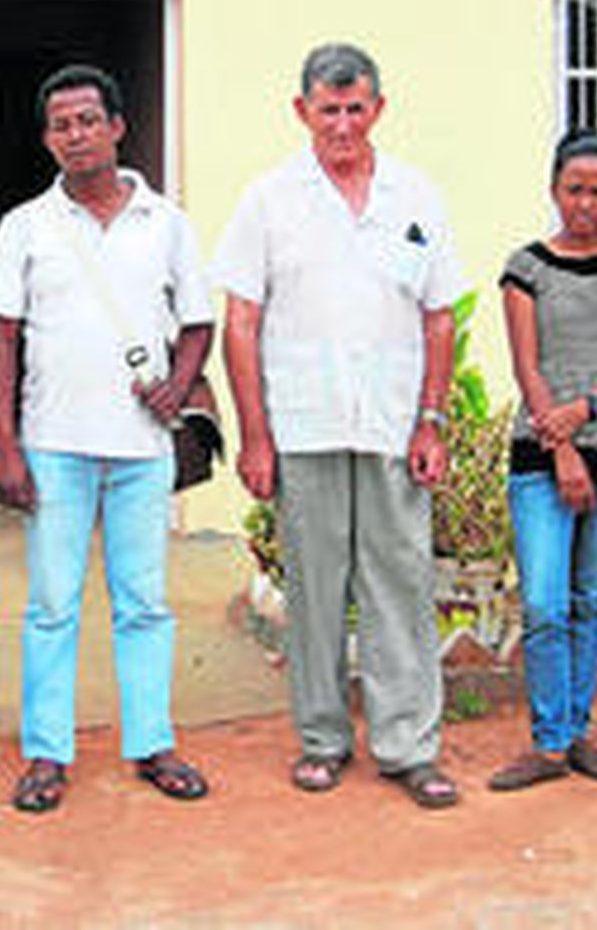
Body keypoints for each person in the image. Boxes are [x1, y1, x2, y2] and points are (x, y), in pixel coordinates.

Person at [212, 42, 464, 810]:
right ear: (303, 111)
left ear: (378, 109)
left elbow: (440, 317)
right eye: (329, 110)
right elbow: (241, 322)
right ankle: (322, 740)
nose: (344, 124)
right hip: (304, 424)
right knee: (316, 590)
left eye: (357, 109)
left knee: (401, 584)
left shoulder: (416, 194)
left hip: (393, 424)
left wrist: (431, 420)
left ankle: (409, 747)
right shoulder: (269, 200)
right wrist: (256, 435)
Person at [0, 64, 214, 814]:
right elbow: (0, 339)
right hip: (54, 445)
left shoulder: (166, 222)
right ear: (47, 139)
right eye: (61, 125)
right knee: (52, 605)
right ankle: (47, 753)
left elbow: (199, 322)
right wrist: (7, 446)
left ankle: (151, 742)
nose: (75, 134)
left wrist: (179, 385)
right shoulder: (24, 226)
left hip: (142, 449)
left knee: (143, 602)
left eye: (88, 120)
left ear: (117, 127)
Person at [488, 134, 597, 792]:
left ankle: (576, 732)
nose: (585, 203)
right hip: (542, 454)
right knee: (543, 602)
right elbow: (527, 365)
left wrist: (584, 411)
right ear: (554, 190)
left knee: (589, 599)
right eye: (574, 189)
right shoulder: (526, 267)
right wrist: (562, 448)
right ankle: (548, 741)